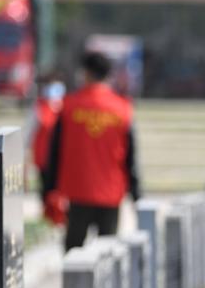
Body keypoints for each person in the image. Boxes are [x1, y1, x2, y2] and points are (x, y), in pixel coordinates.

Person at [44, 51, 140, 251]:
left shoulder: (69, 106)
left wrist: (48, 189)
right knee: (107, 254)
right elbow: (131, 156)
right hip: (111, 193)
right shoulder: (122, 108)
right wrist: (136, 193)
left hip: (78, 192)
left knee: (73, 252)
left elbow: (54, 151)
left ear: (85, 73)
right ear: (108, 75)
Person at [31, 73, 65, 203]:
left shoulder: (65, 106)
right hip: (43, 157)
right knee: (46, 188)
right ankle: (48, 213)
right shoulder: (39, 107)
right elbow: (30, 133)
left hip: (62, 157)